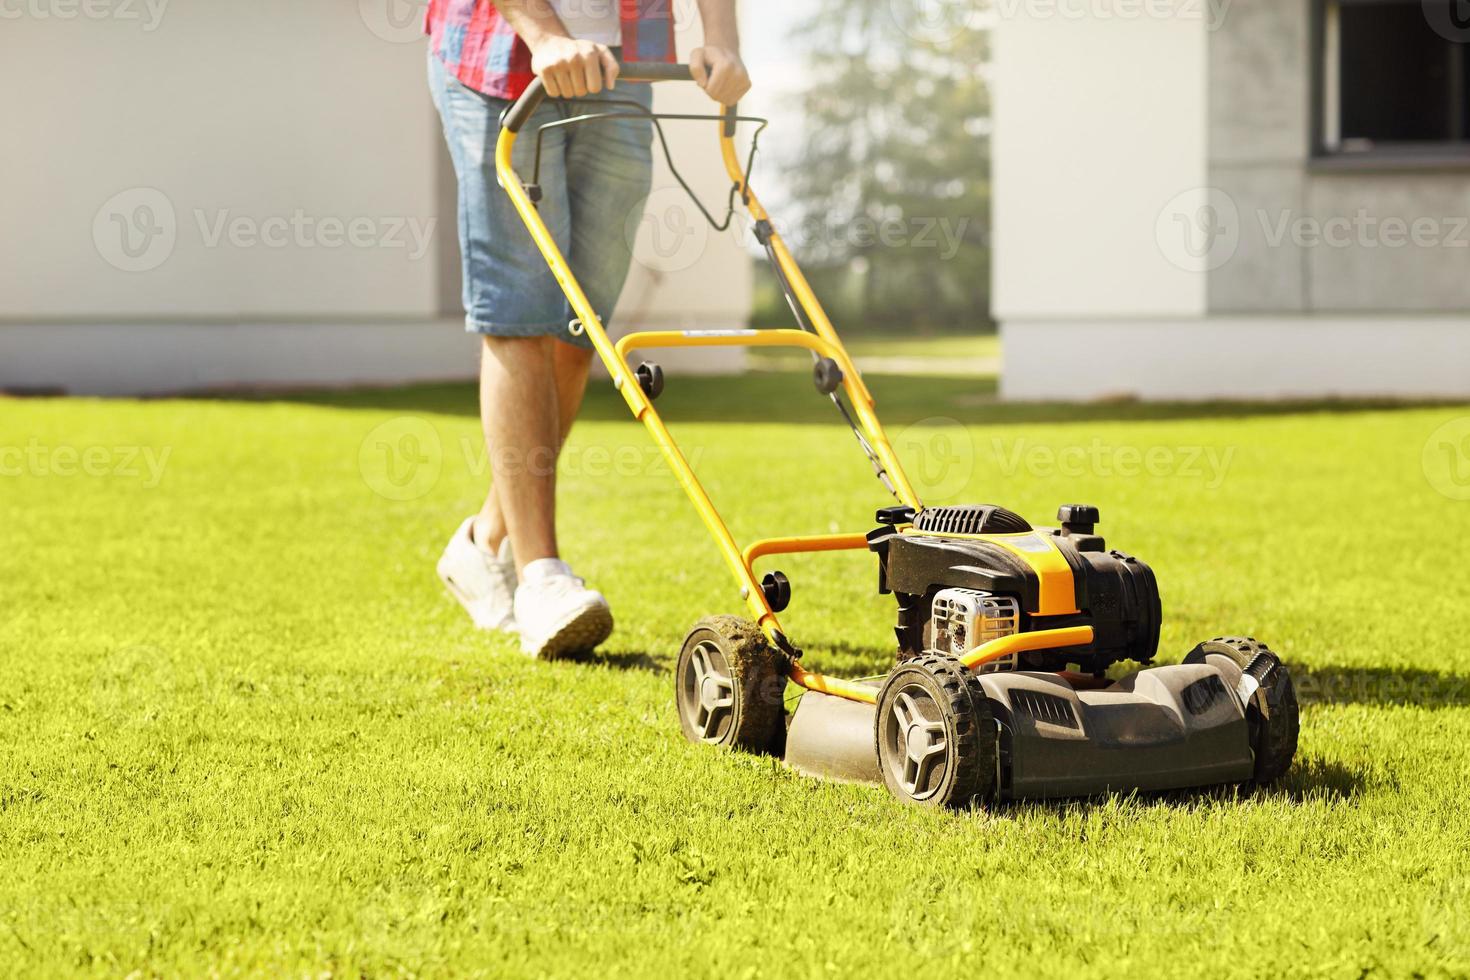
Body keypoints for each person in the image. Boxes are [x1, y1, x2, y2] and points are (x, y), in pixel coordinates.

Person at [426, 1, 751, 659]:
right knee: (520, 313)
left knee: (581, 329)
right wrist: (545, 35)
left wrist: (722, 40)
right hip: (503, 64)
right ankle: (539, 575)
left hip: (626, 66)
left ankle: (485, 542)